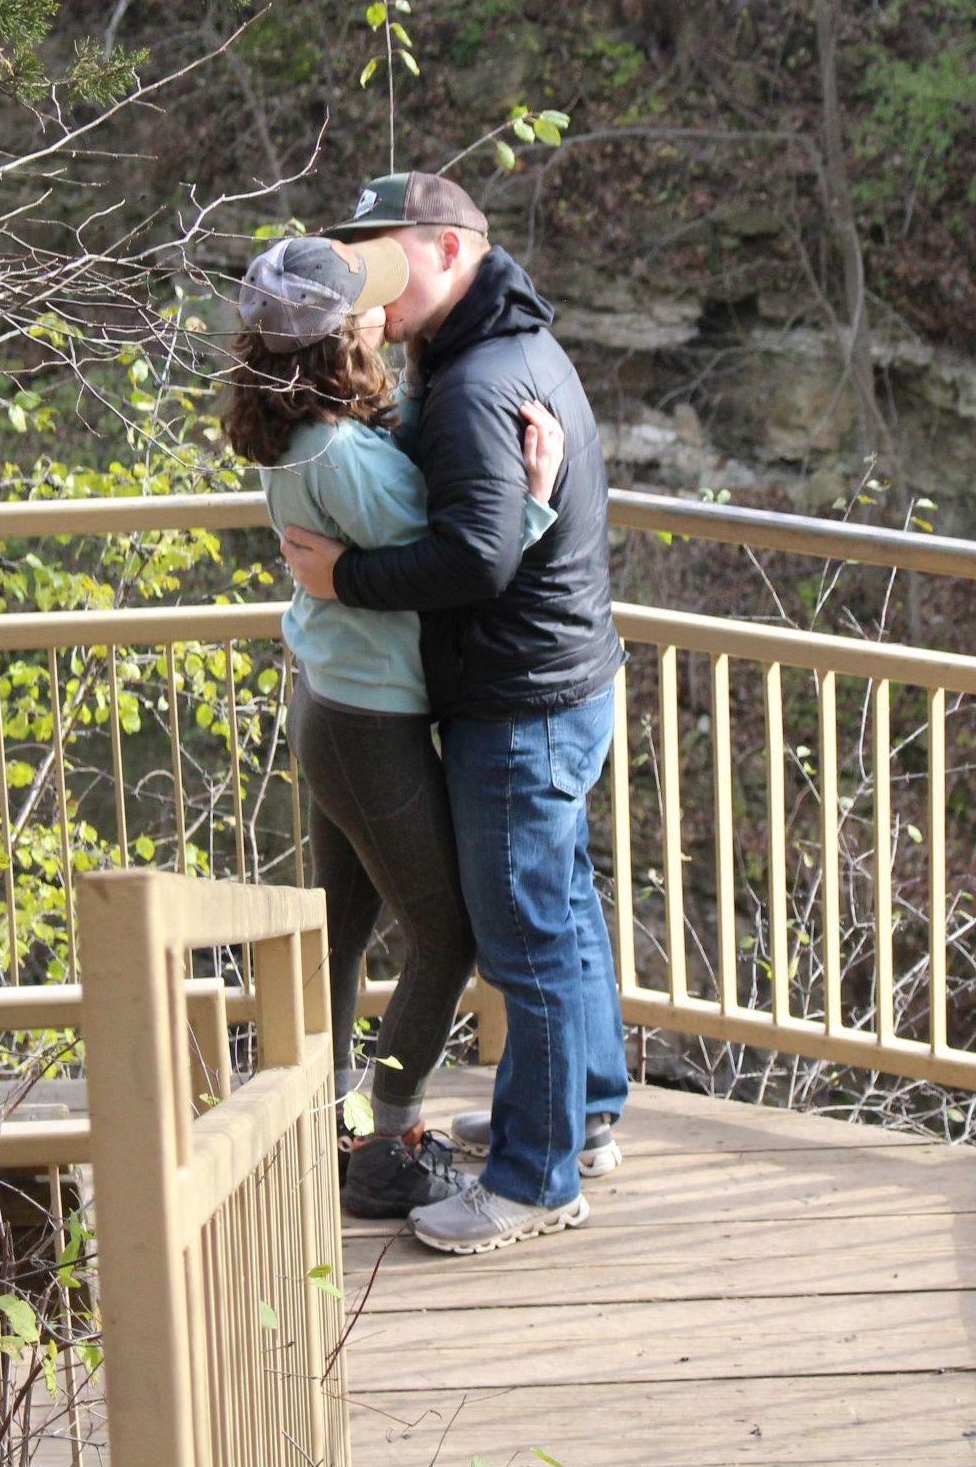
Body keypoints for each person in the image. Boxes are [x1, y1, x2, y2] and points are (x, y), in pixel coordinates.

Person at [278, 171, 630, 1255]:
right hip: (563, 679)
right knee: (560, 908)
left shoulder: (477, 383)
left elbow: (476, 557)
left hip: (517, 700)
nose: (369, 280)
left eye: (383, 254)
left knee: (520, 936)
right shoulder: (503, 344)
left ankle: (534, 1178)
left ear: (446, 249)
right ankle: (583, 1111)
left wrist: (343, 582)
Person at [222, 231, 566, 1219]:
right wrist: (534, 501)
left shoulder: (308, 432)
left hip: (332, 706)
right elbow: (458, 555)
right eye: (367, 307)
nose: (386, 310)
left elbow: (388, 474)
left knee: (341, 930)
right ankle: (388, 1136)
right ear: (340, 342)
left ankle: (329, 1124)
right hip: (370, 722)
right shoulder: (340, 454)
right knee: (445, 934)